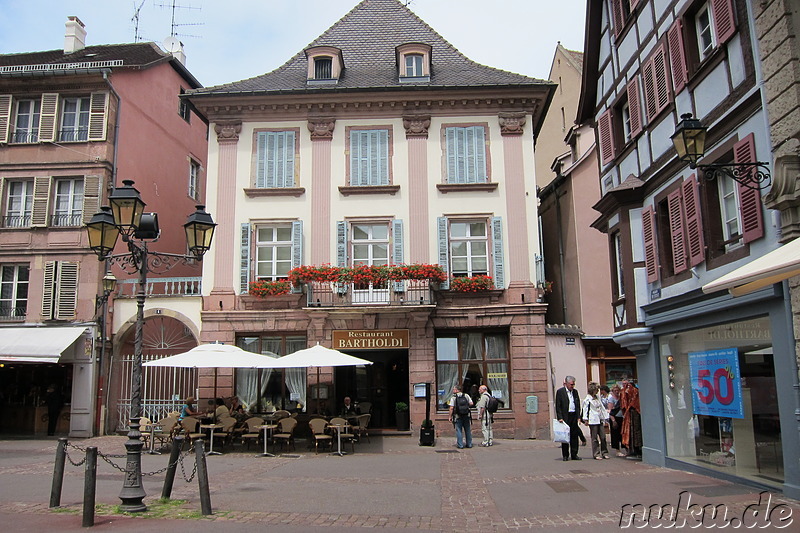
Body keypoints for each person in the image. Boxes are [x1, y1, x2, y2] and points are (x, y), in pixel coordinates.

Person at [555, 375, 582, 461]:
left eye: (573, 384)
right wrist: (560, 417)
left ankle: (574, 454)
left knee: (574, 435)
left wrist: (578, 416)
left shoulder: (575, 392)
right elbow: (558, 406)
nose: (572, 386)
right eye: (571, 384)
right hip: (565, 416)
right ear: (566, 383)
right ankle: (565, 455)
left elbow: (577, 404)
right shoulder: (560, 392)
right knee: (565, 436)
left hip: (573, 415)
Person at [581, 382, 610, 460]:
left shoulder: (597, 398)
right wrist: (585, 419)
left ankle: (604, 452)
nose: (598, 391)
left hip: (599, 419)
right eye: (596, 390)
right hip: (593, 420)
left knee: (603, 437)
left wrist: (606, 417)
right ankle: (596, 453)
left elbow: (602, 408)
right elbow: (585, 409)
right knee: (594, 438)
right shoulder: (587, 399)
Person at [621, 380, 643, 458]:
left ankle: (637, 449)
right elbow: (623, 404)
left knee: (636, 431)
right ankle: (632, 449)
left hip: (635, 414)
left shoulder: (635, 392)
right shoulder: (624, 392)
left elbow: (635, 404)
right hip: (629, 415)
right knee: (629, 432)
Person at [448, 384, 473, 449]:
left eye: (453, 389)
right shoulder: (466, 395)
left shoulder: (454, 397)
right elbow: (471, 403)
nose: (453, 390)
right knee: (467, 430)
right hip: (466, 415)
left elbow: (451, 408)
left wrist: (450, 416)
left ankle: (460, 445)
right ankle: (469, 444)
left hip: (458, 416)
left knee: (459, 430)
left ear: (456, 390)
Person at [607, 384, 624, 456]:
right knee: (615, 434)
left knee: (622, 434)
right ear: (612, 391)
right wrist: (613, 420)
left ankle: (625, 448)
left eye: (618, 390)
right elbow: (610, 411)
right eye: (615, 391)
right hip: (615, 418)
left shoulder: (621, 397)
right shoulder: (611, 398)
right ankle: (617, 450)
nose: (617, 392)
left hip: (621, 417)